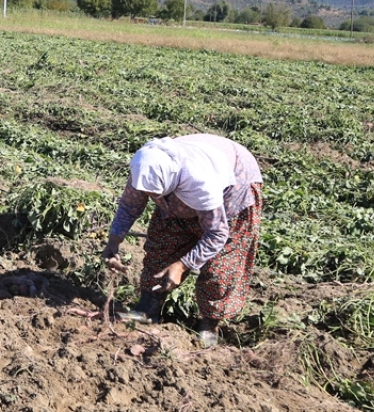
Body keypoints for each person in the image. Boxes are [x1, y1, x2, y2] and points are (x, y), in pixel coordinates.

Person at [101, 134, 263, 347]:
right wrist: (113, 241)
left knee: (220, 267)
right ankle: (148, 308)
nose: (148, 195)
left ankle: (209, 324)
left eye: (153, 192)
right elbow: (130, 206)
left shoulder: (199, 181)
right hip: (183, 189)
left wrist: (182, 265)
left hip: (234, 188)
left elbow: (216, 233)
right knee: (162, 246)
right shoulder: (145, 168)